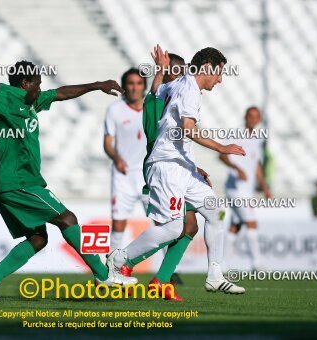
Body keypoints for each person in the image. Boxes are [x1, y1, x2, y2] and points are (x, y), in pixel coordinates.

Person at [0, 60, 137, 302]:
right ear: (25, 83)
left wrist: (97, 85)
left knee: (38, 239)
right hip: (16, 182)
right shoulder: (5, 99)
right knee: (67, 218)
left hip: (18, 182)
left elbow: (61, 93)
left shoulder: (32, 101)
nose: (41, 88)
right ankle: (104, 275)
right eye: (38, 84)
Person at [107, 46, 246, 295]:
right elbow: (188, 129)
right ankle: (119, 259)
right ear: (207, 68)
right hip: (167, 166)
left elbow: (156, 91)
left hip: (182, 166)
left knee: (217, 213)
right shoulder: (190, 90)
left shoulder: (181, 82)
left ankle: (215, 274)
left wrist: (160, 70)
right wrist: (222, 147)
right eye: (219, 72)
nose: (221, 79)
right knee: (173, 228)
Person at [220, 106, 271, 271]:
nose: (253, 119)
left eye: (257, 117)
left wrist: (265, 188)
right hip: (235, 187)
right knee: (251, 222)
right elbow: (222, 155)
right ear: (245, 117)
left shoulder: (256, 138)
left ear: (259, 119)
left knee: (236, 224)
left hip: (246, 189)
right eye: (251, 116)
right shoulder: (236, 133)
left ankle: (222, 265)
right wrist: (236, 169)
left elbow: (256, 165)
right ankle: (257, 264)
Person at [103, 68, 148, 250]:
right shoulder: (115, 110)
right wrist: (117, 158)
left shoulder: (153, 108)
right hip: (123, 174)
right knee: (119, 223)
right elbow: (107, 143)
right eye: (130, 83)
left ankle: (167, 270)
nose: (134, 87)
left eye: (139, 83)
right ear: (124, 86)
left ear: (144, 86)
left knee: (162, 224)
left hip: (149, 176)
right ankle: (112, 265)